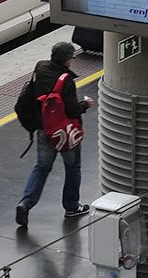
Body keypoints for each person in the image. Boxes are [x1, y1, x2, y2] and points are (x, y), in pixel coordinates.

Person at [15, 41, 93, 228]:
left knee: (41, 168)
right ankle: (72, 207)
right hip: (64, 132)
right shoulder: (65, 80)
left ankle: (25, 203)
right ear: (67, 60)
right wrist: (85, 104)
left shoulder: (40, 68)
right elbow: (72, 110)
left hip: (44, 129)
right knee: (73, 168)